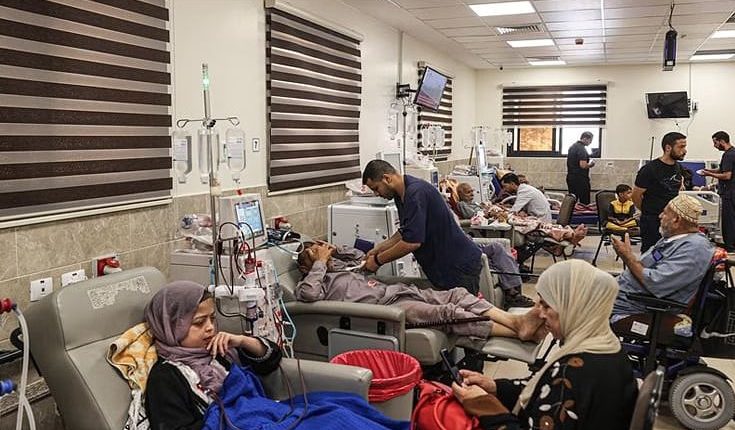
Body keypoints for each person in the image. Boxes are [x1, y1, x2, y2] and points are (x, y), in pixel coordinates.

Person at [144, 281, 407, 430]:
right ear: (171, 325)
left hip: (266, 413)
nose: (211, 328)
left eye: (212, 319)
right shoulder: (167, 376)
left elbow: (271, 361)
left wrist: (242, 341)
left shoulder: (219, 350)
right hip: (248, 423)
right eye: (199, 323)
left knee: (342, 409)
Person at [451, 260, 638, 429]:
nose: (540, 314)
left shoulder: (573, 372)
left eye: (546, 306)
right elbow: (546, 389)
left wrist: (484, 405)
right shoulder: (608, 347)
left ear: (571, 308)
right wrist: (496, 387)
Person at [295, 242, 544, 340]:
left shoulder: (338, 267)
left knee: (457, 293)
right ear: (305, 267)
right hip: (386, 309)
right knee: (448, 312)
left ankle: (514, 321)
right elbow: (308, 295)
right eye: (313, 252)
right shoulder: (314, 282)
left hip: (398, 291)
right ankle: (516, 331)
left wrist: (334, 250)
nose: (321, 253)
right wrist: (319, 263)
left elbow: (360, 257)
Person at [362, 160, 483, 294]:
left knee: (462, 306)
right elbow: (406, 231)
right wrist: (379, 248)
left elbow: (412, 243)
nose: (376, 194)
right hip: (443, 265)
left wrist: (378, 261)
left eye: (376, 188)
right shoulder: (401, 195)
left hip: (458, 264)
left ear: (387, 178)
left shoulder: (415, 193)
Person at [610, 194, 714, 336]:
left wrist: (628, 258)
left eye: (664, 213)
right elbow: (645, 265)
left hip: (633, 305)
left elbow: (656, 282)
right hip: (622, 295)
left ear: (676, 220)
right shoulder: (672, 239)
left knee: (580, 303)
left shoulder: (695, 249)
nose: (660, 216)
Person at [632, 131, 687, 252]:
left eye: (685, 147)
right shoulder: (649, 170)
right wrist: (648, 211)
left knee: (671, 254)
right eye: (681, 147)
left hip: (672, 220)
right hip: (652, 221)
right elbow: (635, 196)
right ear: (668, 148)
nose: (684, 150)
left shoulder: (678, 167)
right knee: (652, 254)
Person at [702, 131, 735, 251]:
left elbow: (727, 175)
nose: (714, 146)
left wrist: (708, 174)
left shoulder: (728, 155)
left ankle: (730, 246)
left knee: (729, 221)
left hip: (729, 193)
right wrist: (708, 170)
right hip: (731, 192)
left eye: (715, 143)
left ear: (722, 141)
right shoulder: (732, 153)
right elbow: (722, 169)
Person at [566, 131, 595, 204]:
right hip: (580, 179)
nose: (590, 142)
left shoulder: (572, 147)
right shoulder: (581, 149)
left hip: (571, 178)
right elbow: (583, 165)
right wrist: (591, 164)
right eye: (590, 140)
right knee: (584, 202)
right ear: (585, 138)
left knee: (572, 201)